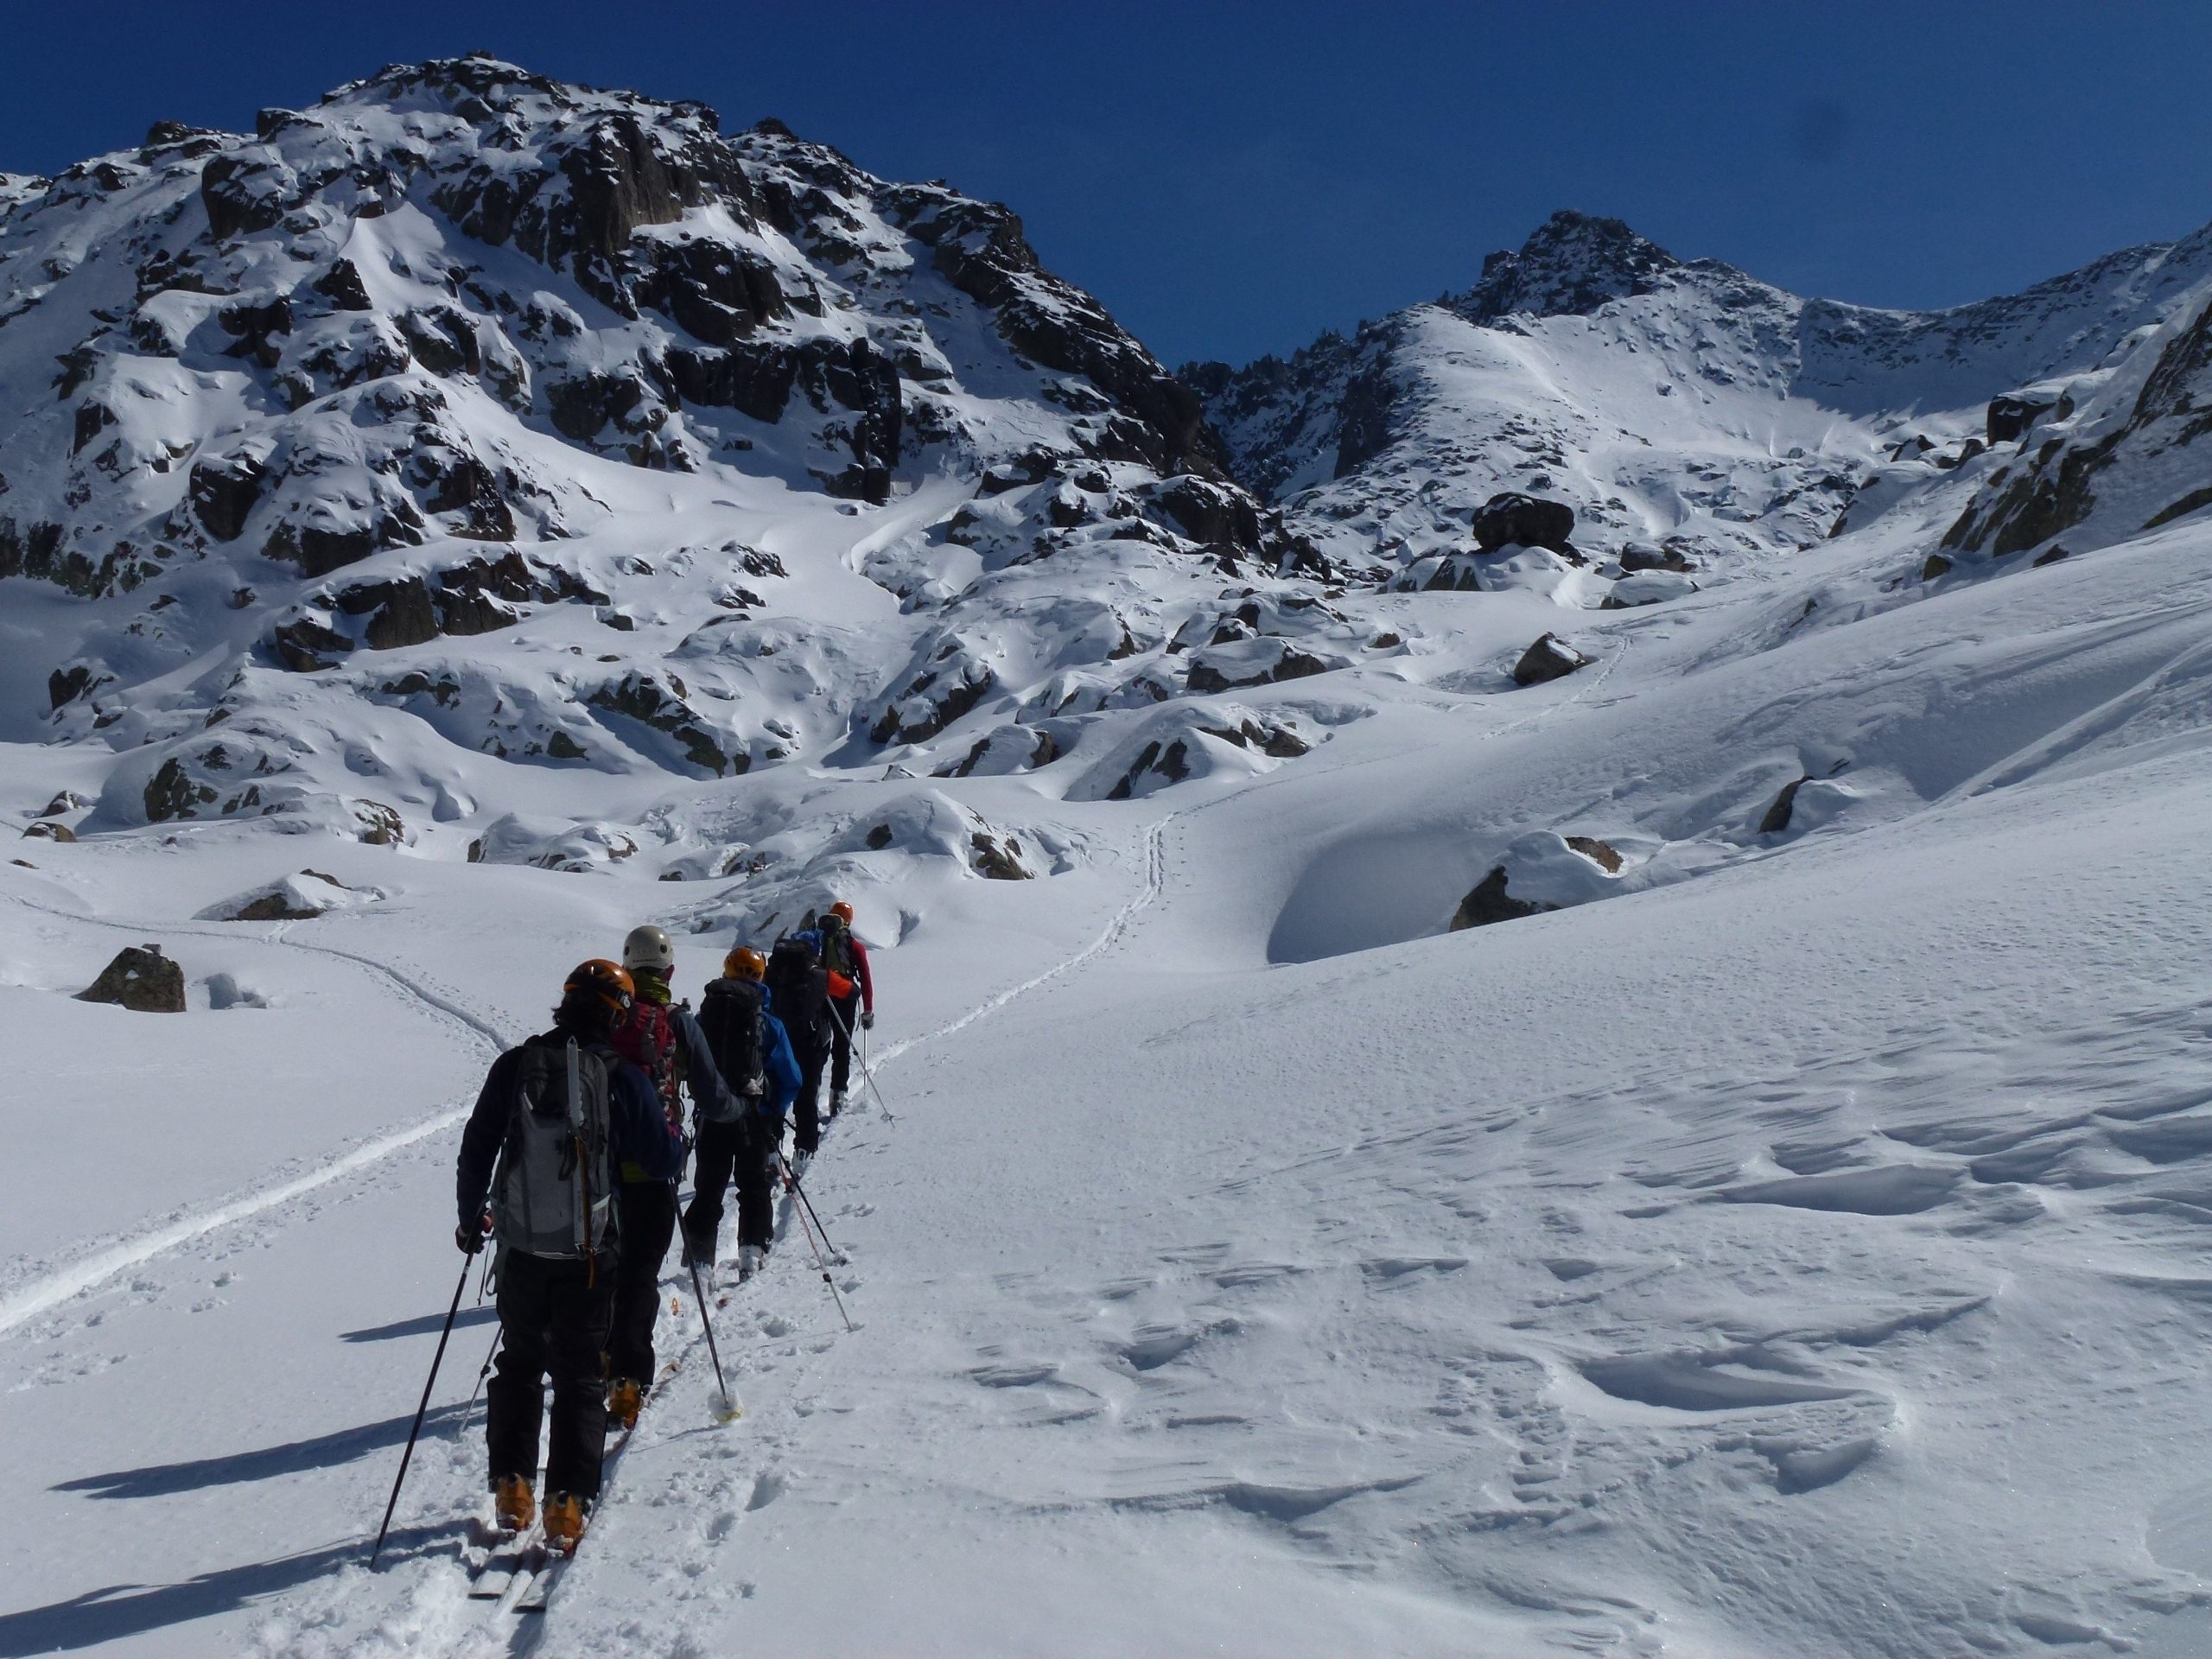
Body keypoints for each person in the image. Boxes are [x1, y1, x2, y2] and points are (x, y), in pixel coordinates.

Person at [454, 960, 678, 1553]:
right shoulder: (619, 1075)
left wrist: (469, 1213)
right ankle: (567, 1504)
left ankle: (511, 1486)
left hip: (522, 1247)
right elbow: (659, 1159)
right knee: (580, 1374)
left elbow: (478, 1143)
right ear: (617, 1014)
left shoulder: (517, 1065)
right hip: (589, 1254)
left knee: (520, 1364)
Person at [603, 924, 744, 1430]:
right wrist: (739, 1108)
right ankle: (628, 1378)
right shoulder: (678, 1022)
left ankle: (599, 1355)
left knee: (601, 1267)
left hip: (591, 1170)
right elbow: (711, 1094)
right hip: (653, 1165)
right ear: (669, 971)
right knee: (640, 1272)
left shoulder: (604, 1016)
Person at [682, 946, 802, 1281]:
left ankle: (699, 1261)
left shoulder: (704, 1018)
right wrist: (774, 1110)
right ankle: (752, 1251)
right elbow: (792, 1077)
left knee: (708, 1187)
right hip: (755, 1117)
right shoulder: (769, 1023)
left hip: (712, 1116)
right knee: (753, 1185)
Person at [764, 930, 831, 1166]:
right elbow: (850, 991)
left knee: (775, 1097)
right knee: (806, 1097)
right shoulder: (821, 977)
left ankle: (771, 1152)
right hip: (808, 1045)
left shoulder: (772, 973)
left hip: (775, 1044)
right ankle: (804, 1150)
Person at [811, 900, 875, 1116]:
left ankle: (811, 1094)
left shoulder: (818, 940)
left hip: (819, 997)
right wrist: (867, 1010)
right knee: (842, 1048)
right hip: (845, 998)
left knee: (818, 1048)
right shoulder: (852, 945)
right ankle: (837, 1097)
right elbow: (865, 978)